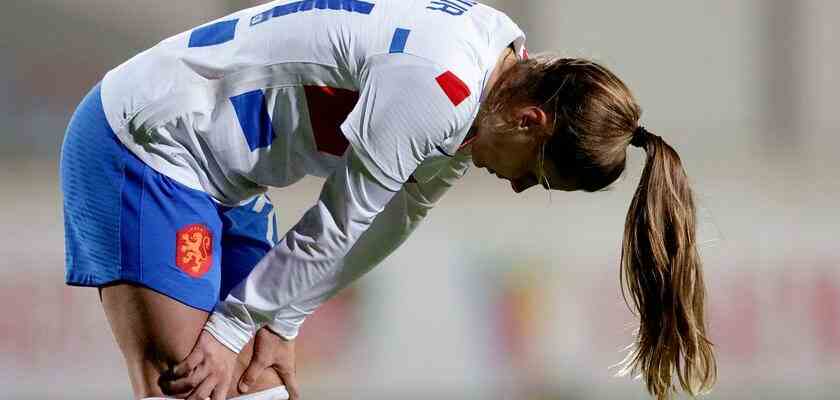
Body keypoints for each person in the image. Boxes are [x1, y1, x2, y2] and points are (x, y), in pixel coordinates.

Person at [60, 1, 716, 399]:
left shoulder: (495, 63)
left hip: (231, 174)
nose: (517, 186)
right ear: (533, 121)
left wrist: (281, 324)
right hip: (152, 140)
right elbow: (341, 221)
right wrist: (237, 326)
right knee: (189, 382)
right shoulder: (441, 87)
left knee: (255, 385)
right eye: (538, 175)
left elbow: (393, 217)